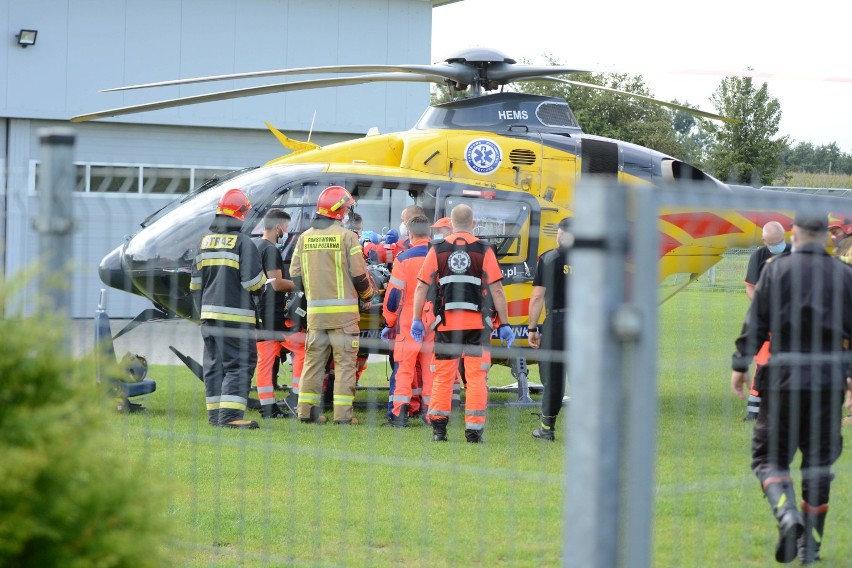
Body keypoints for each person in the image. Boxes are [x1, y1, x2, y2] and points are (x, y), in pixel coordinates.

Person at [731, 211, 852, 564]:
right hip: (828, 381)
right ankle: (810, 547)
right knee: (817, 466)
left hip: (782, 378)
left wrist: (741, 363)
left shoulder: (776, 270)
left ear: (795, 233)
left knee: (769, 458)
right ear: (828, 236)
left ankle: (787, 517)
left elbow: (757, 322)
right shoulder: (846, 276)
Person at [411, 204, 514, 443]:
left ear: (450, 223)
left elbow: (421, 286)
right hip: (478, 325)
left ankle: (439, 430)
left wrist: (417, 319)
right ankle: (474, 432)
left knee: (443, 377)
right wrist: (505, 323)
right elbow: (497, 289)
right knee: (477, 377)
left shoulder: (438, 249)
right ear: (474, 223)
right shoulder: (484, 249)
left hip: (446, 325)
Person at [289, 186, 375, 424]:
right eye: (347, 208)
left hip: (316, 316)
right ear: (339, 211)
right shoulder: (348, 237)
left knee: (313, 363)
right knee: (345, 363)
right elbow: (359, 275)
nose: (348, 212)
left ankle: (306, 412)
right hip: (344, 318)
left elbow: (295, 276)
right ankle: (343, 416)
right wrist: (368, 296)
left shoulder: (304, 237)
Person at [190, 188, 267, 429]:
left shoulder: (204, 242)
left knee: (214, 365)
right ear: (242, 214)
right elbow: (252, 282)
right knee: (240, 363)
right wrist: (264, 286)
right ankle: (230, 417)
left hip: (208, 317)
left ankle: (215, 416)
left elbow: (194, 285)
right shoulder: (243, 243)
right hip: (236, 318)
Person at [381, 214, 434, 427]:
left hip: (408, 323)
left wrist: (389, 322)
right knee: (432, 371)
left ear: (410, 234)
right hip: (433, 322)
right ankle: (433, 416)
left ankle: (399, 415)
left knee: (404, 370)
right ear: (429, 232)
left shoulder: (403, 259)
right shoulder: (439, 256)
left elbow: (394, 296)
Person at [527, 217, 572, 441]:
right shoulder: (593, 259)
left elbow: (537, 297)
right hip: (585, 323)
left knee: (553, 377)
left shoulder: (550, 258)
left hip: (557, 322)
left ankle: (546, 428)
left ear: (562, 234)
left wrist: (532, 328)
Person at [742, 221, 792, 421]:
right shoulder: (759, 256)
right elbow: (750, 288)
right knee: (763, 363)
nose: (778, 246)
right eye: (773, 243)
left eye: (780, 241)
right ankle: (754, 413)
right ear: (764, 241)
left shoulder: (794, 253)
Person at [253, 209, 296, 419]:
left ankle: (268, 407)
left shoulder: (255, 246)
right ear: (278, 226)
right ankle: (296, 398)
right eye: (286, 227)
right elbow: (277, 284)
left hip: (260, 312)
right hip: (273, 315)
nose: (286, 231)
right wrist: (302, 284)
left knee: (265, 361)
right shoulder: (270, 250)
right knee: (304, 351)